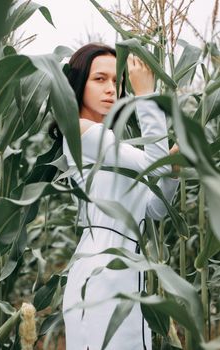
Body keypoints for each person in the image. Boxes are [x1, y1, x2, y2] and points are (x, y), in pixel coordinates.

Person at [50, 43, 179, 350]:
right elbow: (153, 162)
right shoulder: (82, 131)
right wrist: (147, 95)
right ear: (78, 84)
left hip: (122, 269)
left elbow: (154, 210)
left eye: (115, 81)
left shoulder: (111, 145)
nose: (111, 89)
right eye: (99, 79)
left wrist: (172, 173)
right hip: (104, 272)